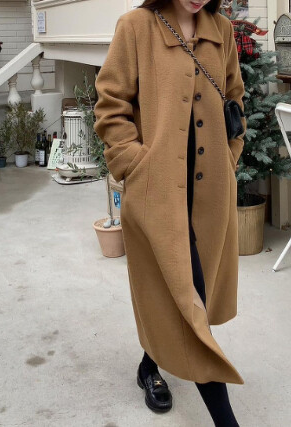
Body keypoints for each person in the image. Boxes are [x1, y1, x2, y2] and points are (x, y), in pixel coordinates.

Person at [94, 0, 245, 425]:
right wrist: (134, 165)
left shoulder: (221, 30)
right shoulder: (135, 27)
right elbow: (110, 104)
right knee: (190, 302)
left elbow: (235, 96)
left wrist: (230, 156)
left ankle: (149, 366)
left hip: (210, 194)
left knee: (182, 294)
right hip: (157, 194)